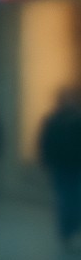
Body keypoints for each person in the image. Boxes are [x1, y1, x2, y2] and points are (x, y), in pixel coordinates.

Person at [37, 87, 81, 251]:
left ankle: (70, 231)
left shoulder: (57, 120)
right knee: (67, 199)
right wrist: (46, 160)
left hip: (71, 165)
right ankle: (68, 231)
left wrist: (45, 159)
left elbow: (44, 142)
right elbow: (45, 142)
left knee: (70, 199)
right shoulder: (55, 120)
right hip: (63, 165)